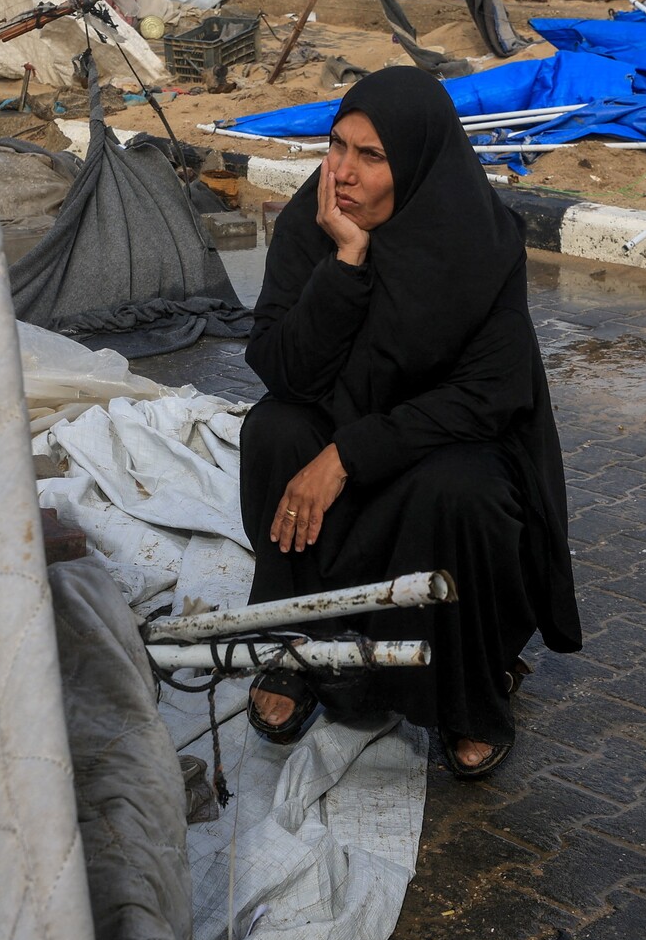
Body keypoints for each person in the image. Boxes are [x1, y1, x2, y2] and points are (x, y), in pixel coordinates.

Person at [238, 66, 581, 779]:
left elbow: (487, 393)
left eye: (371, 155)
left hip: (440, 443)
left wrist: (348, 455)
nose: (343, 172)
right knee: (275, 431)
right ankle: (303, 649)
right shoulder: (313, 223)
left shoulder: (479, 241)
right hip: (342, 423)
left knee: (460, 490)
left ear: (418, 162)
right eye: (337, 145)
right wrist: (346, 263)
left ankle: (470, 691)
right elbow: (284, 368)